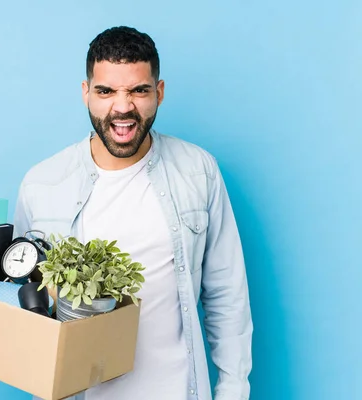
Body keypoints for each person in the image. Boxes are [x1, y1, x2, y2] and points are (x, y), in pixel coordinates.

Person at [13, 26, 253, 400]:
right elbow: (24, 301)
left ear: (158, 92)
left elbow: (227, 294)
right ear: (85, 93)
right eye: (106, 91)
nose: (122, 107)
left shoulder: (197, 170)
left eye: (138, 90)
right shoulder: (41, 184)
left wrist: (233, 391)